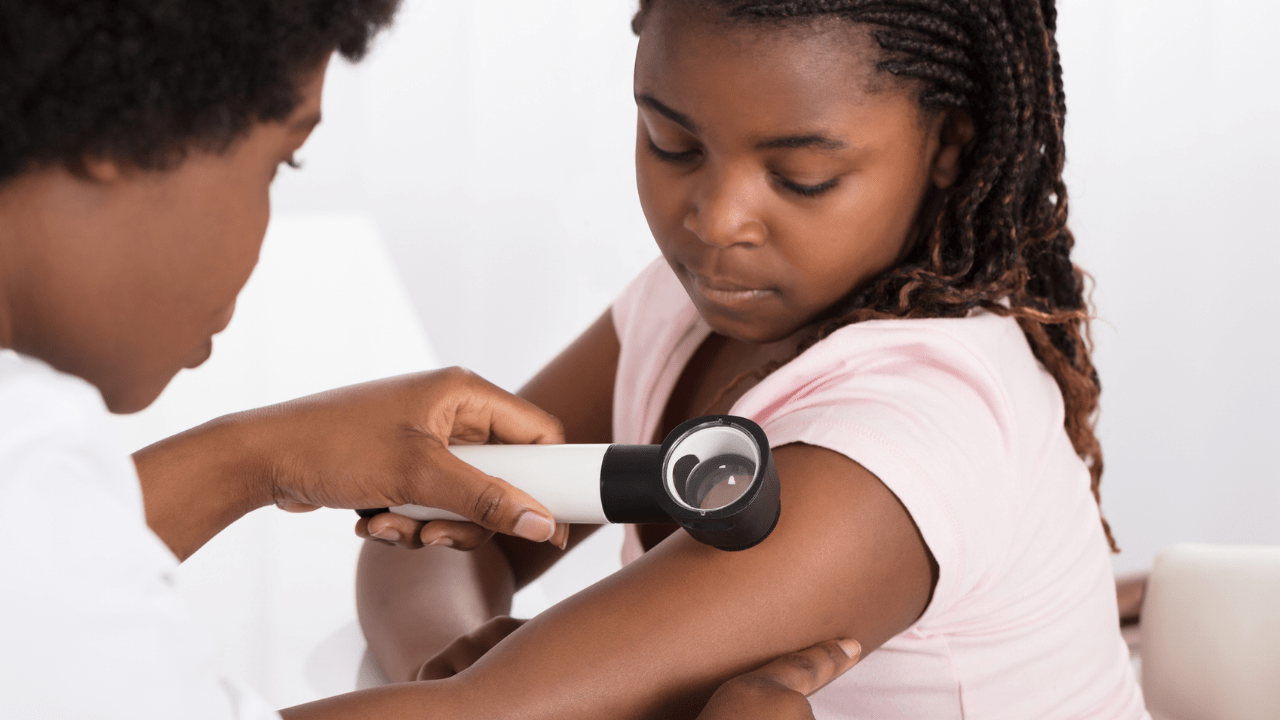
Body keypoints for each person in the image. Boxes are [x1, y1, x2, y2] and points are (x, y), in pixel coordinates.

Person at [0, 1, 854, 718]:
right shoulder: (34, 466)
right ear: (124, 128)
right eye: (279, 159)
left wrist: (254, 459)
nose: (716, 225)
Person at [351, 0, 1150, 718]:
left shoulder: (907, 436)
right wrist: (449, 661)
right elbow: (430, 516)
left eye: (802, 178)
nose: (716, 220)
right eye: (672, 144)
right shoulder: (700, 303)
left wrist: (473, 696)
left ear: (948, 146)